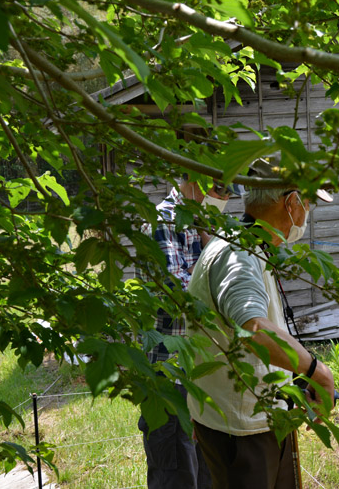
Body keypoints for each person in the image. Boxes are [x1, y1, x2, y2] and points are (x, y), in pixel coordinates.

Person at [185, 159, 336, 489]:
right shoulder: (239, 255)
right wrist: (319, 373)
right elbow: (254, 329)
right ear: (291, 203)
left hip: (235, 419)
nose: (307, 213)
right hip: (244, 432)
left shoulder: (237, 243)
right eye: (308, 203)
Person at [136, 176, 238, 489]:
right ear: (193, 179)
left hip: (208, 370)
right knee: (177, 473)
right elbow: (177, 297)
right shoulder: (162, 222)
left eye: (228, 192)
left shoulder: (211, 222)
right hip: (171, 372)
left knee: (211, 470)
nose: (223, 197)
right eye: (218, 188)